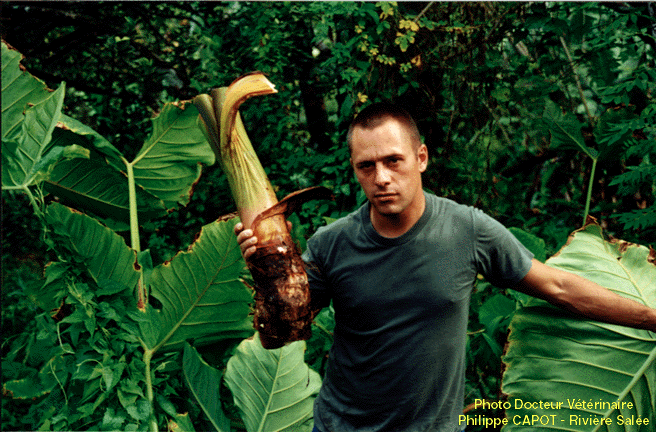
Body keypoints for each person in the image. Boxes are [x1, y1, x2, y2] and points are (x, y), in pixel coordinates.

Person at [235, 102, 656, 432]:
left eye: (393, 161)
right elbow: (281, 333)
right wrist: (266, 266)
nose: (381, 177)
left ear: (421, 158)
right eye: (367, 166)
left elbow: (559, 286)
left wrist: (651, 317)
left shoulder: (468, 230)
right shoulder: (333, 243)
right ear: (356, 170)